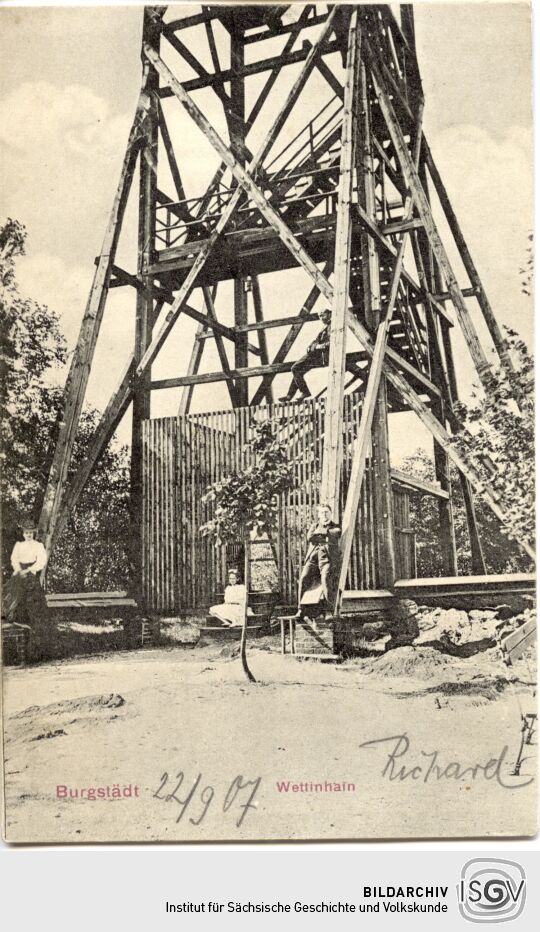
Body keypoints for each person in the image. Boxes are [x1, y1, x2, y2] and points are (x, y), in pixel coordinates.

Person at [2, 519, 54, 660]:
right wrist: (19, 570)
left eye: (31, 532)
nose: (28, 535)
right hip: (19, 574)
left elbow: (41, 561)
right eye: (26, 532)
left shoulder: (38, 546)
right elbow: (14, 559)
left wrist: (30, 570)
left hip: (31, 574)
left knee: (35, 604)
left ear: (34, 533)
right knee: (10, 597)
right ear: (23, 533)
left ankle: (38, 652)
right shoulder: (19, 545)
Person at [296, 503, 341, 619]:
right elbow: (310, 537)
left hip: (326, 559)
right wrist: (325, 537)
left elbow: (335, 534)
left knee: (326, 579)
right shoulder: (314, 526)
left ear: (330, 514)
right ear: (319, 515)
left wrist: (321, 535)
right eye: (322, 512)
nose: (324, 514)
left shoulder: (335, 527)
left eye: (326, 512)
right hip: (313, 559)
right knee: (303, 578)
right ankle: (301, 610)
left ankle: (329, 611)